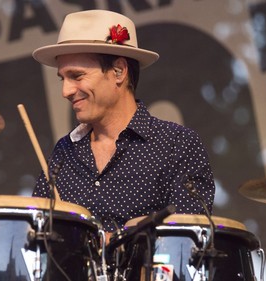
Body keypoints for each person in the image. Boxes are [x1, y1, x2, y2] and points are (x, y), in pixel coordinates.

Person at [31, 10, 215, 238]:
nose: (65, 91)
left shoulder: (177, 144)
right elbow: (36, 238)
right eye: (63, 79)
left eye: (76, 76)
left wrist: (109, 246)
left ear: (118, 71)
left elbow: (186, 244)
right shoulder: (63, 151)